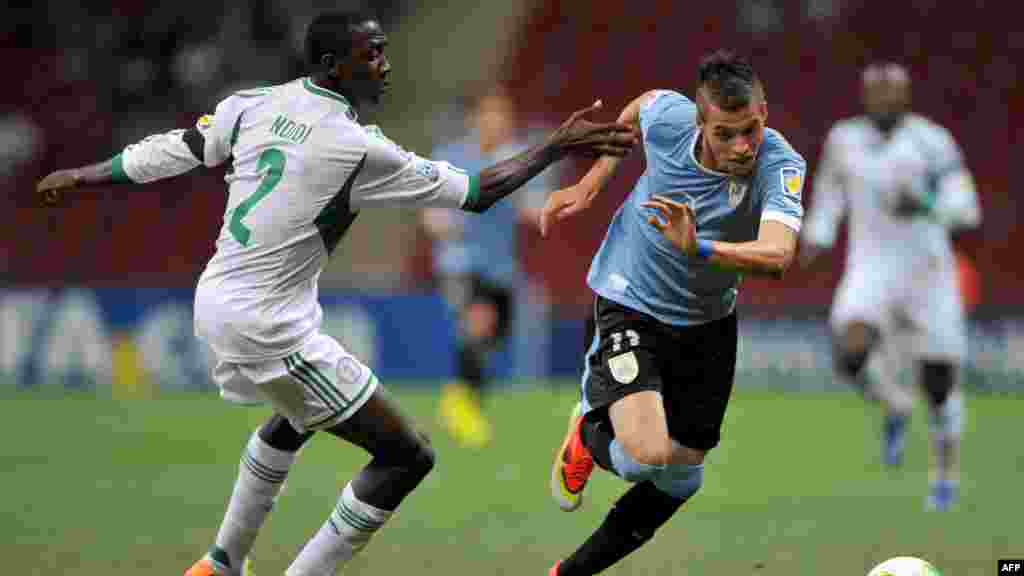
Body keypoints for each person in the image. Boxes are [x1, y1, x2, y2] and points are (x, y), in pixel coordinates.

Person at [35, 10, 636, 576]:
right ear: (331, 64)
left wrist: (86, 175)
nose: (385, 64)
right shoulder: (354, 147)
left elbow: (178, 149)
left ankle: (219, 563)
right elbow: (477, 190)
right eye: (372, 54)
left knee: (293, 419)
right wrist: (556, 146)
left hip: (218, 300)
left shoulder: (254, 105)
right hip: (268, 324)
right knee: (407, 456)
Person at [538, 51, 805, 576]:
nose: (741, 146)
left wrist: (699, 247)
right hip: (629, 297)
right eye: (725, 133)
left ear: (765, 114)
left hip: (708, 320)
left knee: (682, 475)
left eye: (750, 130)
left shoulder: (781, 163)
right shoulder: (670, 120)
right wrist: (592, 183)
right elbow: (638, 108)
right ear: (700, 122)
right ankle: (589, 427)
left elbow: (777, 255)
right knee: (645, 453)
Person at [799, 62, 981, 511]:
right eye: (874, 92)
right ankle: (896, 403)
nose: (882, 99)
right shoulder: (844, 139)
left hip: (928, 273)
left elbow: (968, 208)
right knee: (849, 354)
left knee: (939, 383)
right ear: (864, 96)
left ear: (906, 95)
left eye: (891, 92)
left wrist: (924, 202)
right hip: (871, 267)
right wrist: (817, 237)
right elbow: (829, 193)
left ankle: (943, 478)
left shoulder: (931, 141)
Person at [421, 83, 556, 448]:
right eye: (490, 114)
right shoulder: (450, 157)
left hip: (500, 266)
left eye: (503, 116)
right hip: (460, 262)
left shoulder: (517, 160)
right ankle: (461, 408)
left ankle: (463, 403)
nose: (497, 122)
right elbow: (431, 212)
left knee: (490, 337)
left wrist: (533, 209)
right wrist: (440, 223)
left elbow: (534, 208)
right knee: (479, 322)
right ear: (475, 119)